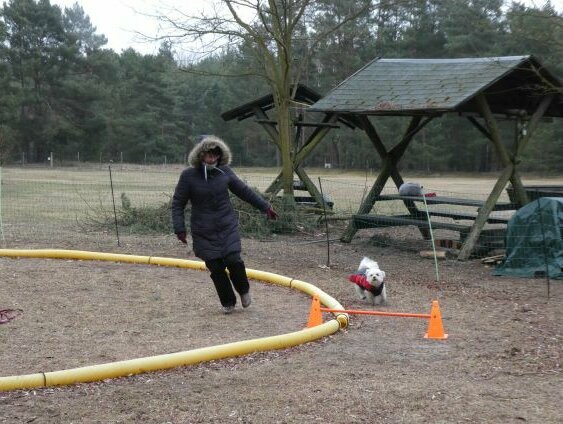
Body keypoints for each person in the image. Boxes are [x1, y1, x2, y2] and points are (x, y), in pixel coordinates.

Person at [171, 135, 278, 314]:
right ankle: (228, 301)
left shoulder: (225, 171)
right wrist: (179, 228)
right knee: (216, 266)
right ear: (200, 155)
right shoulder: (188, 176)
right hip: (203, 229)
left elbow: (244, 191)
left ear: (220, 154)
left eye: (215, 154)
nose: (212, 157)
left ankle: (243, 290)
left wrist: (265, 207)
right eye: (208, 154)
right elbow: (178, 203)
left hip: (226, 225)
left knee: (233, 260)